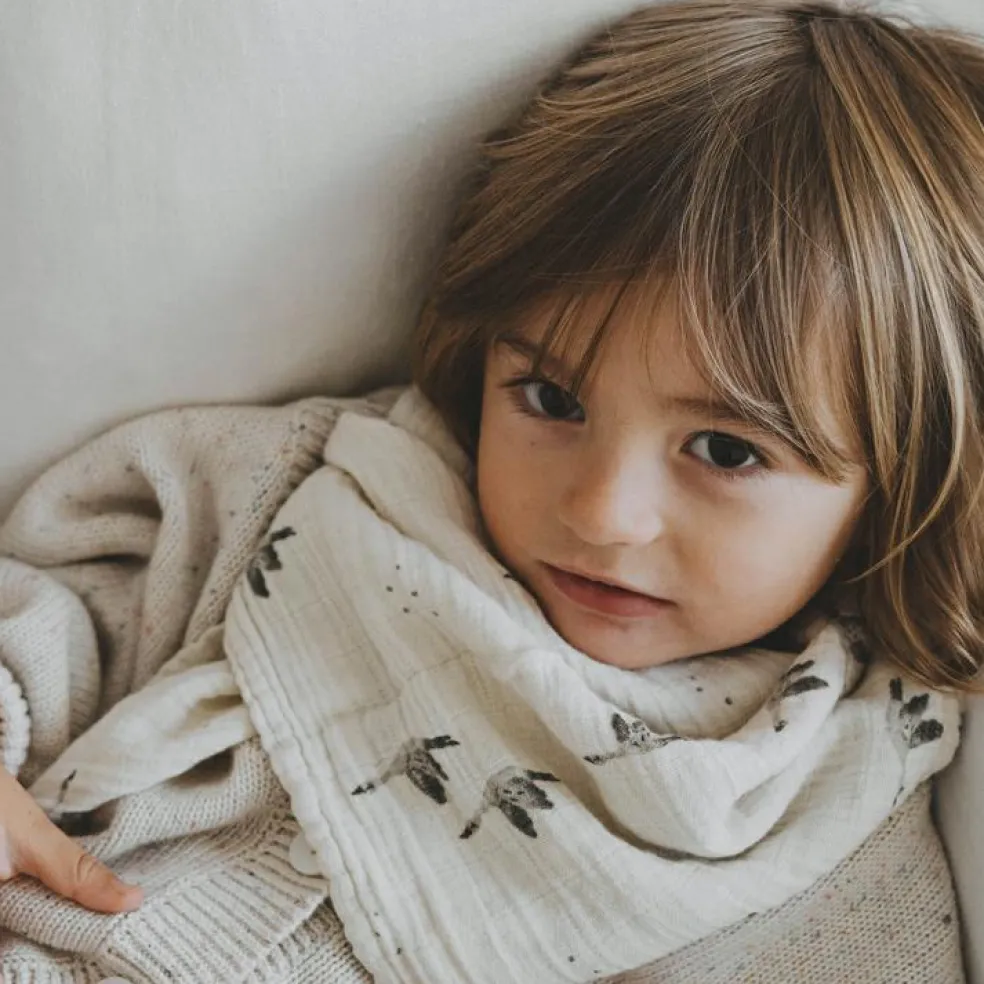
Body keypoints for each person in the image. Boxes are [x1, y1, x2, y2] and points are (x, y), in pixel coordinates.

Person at [0, 1, 980, 980]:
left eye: (725, 451)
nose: (599, 511)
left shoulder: (832, 805)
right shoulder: (307, 484)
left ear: (899, 479)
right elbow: (49, 618)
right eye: (551, 399)